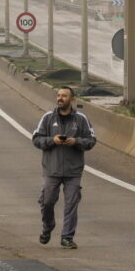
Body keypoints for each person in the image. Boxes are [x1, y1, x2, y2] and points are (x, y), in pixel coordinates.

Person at [31, 87, 97, 249]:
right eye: (59, 95)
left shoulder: (81, 119)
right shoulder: (47, 117)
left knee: (71, 204)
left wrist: (76, 142)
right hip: (51, 169)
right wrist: (52, 140)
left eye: (64, 96)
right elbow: (36, 139)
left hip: (73, 171)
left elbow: (91, 140)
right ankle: (48, 227)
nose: (60, 98)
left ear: (72, 99)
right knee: (47, 202)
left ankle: (67, 237)